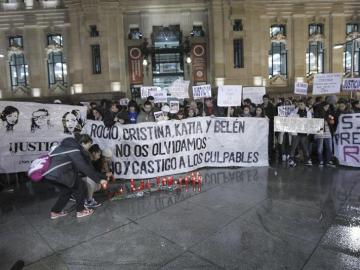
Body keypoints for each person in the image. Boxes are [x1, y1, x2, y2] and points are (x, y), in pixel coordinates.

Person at [44, 134, 107, 219]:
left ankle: (55, 211)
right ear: (83, 143)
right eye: (89, 144)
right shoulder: (74, 149)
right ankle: (80, 211)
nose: (89, 147)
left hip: (49, 174)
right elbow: (83, 167)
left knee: (66, 191)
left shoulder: (64, 147)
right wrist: (99, 180)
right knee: (80, 186)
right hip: (60, 173)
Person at [288, 99, 313, 167]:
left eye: (301, 104)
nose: (300, 106)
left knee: (305, 147)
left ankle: (308, 160)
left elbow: (310, 122)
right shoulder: (294, 112)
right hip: (296, 133)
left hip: (304, 133)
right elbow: (289, 119)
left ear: (305, 105)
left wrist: (308, 132)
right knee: (294, 147)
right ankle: (291, 160)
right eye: (299, 104)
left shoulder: (308, 112)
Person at [314, 101, 336, 167]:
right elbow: (316, 121)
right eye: (326, 106)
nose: (327, 108)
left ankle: (329, 161)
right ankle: (321, 161)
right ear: (322, 107)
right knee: (320, 148)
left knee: (329, 148)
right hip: (320, 132)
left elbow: (332, 121)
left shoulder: (329, 113)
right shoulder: (317, 113)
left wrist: (332, 121)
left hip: (328, 132)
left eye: (328, 107)